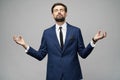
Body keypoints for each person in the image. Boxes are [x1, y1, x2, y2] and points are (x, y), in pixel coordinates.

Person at [13, 3, 107, 80]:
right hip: (53, 76)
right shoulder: (47, 33)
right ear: (52, 14)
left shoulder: (76, 31)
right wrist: (25, 45)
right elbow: (40, 55)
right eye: (56, 10)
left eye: (61, 10)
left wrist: (94, 40)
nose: (59, 12)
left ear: (66, 13)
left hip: (73, 76)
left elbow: (83, 54)